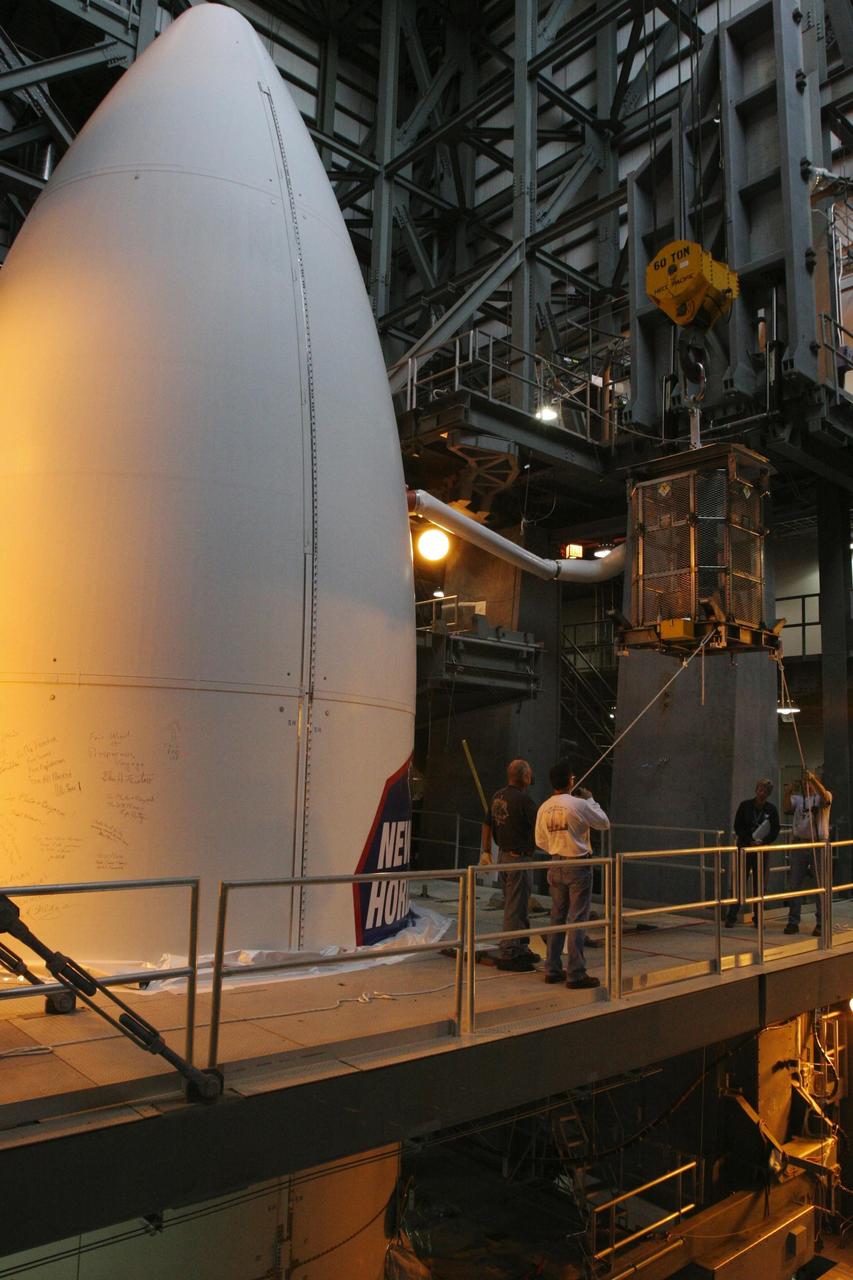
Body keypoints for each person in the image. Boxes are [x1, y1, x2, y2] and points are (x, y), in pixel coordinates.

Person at [534, 761, 610, 990]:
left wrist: (557, 847)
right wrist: (590, 799)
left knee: (557, 918)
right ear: (570, 781)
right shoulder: (579, 803)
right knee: (576, 919)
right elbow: (604, 823)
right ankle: (576, 973)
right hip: (577, 865)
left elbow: (540, 841)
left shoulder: (544, 807)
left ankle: (553, 969)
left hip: (555, 864)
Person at [482, 759, 538, 972]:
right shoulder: (525, 800)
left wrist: (486, 850)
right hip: (519, 858)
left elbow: (487, 824)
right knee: (516, 905)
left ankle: (521, 946)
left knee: (518, 903)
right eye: (529, 774)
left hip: (503, 856)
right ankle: (509, 951)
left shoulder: (498, 795)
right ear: (524, 777)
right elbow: (539, 827)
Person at [724, 778, 780, 927]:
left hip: (761, 850)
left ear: (768, 793)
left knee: (759, 885)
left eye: (765, 791)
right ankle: (731, 916)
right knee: (739, 882)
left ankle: (758, 918)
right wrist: (749, 839)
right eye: (760, 789)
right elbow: (738, 826)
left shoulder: (771, 809)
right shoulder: (745, 806)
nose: (761, 793)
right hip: (745, 848)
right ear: (756, 790)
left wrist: (764, 840)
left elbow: (775, 829)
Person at [783, 770, 832, 936]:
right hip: (799, 844)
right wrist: (789, 791)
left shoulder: (821, 797)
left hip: (818, 844)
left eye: (809, 782)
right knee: (795, 884)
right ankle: (793, 921)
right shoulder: (799, 800)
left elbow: (826, 798)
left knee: (820, 884)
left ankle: (821, 922)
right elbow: (787, 807)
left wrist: (814, 781)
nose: (806, 785)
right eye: (804, 783)